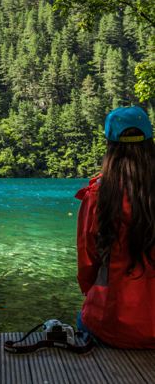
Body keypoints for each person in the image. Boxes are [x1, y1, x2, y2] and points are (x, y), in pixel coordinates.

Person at [75, 106, 155, 348]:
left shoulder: (99, 195)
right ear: (150, 142)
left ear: (109, 145)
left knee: (83, 319)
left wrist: (92, 294)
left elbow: (88, 262)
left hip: (113, 327)